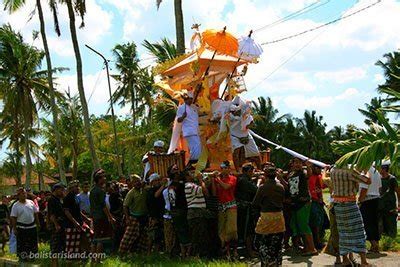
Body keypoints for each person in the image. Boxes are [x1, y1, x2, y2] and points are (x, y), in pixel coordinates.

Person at [330, 167, 370, 266]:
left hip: (338, 205)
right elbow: (367, 181)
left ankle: (345, 259)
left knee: (343, 232)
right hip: (350, 204)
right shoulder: (350, 171)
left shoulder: (333, 170)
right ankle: (363, 261)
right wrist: (366, 171)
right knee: (358, 231)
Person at [252, 165, 285, 267]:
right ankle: (276, 263)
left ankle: (267, 262)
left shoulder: (263, 187)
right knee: (277, 244)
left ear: (265, 175)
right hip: (279, 217)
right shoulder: (280, 187)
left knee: (262, 242)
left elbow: (255, 203)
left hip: (266, 217)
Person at [287, 158, 317, 256]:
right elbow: (289, 186)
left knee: (304, 225)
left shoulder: (303, 173)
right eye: (296, 162)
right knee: (299, 226)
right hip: (295, 203)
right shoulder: (291, 174)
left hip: (303, 202)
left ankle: (312, 248)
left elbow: (309, 174)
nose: (298, 164)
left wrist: (308, 166)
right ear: (292, 164)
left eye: (300, 163)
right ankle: (306, 247)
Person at [211, 160, 238, 259]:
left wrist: (217, 178)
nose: (224, 170)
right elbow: (214, 193)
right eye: (222, 168)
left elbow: (226, 187)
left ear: (229, 169)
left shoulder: (233, 178)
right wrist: (213, 181)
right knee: (221, 230)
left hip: (231, 205)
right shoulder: (218, 179)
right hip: (221, 206)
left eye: (226, 168)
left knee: (232, 229)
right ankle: (226, 252)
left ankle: (234, 251)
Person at [119, 175, 149, 254]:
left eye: (138, 181)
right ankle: (122, 252)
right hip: (134, 217)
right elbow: (125, 206)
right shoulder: (131, 193)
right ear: (132, 184)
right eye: (135, 182)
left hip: (144, 217)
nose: (137, 183)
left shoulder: (144, 189)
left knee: (143, 236)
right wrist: (127, 218)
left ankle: (141, 252)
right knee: (128, 237)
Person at [226, 104, 260, 171]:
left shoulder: (247, 116)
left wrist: (248, 125)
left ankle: (260, 169)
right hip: (235, 137)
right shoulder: (230, 116)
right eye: (234, 111)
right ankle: (238, 170)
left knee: (256, 154)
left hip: (246, 136)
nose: (235, 112)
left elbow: (253, 124)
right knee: (236, 152)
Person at [167, 164, 191, 257]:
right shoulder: (173, 186)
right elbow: (173, 201)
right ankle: (185, 253)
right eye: (175, 170)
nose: (177, 171)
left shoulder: (181, 183)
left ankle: (185, 253)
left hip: (181, 210)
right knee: (182, 231)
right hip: (178, 211)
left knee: (183, 231)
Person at [90, 169, 115, 259]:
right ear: (99, 179)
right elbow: (103, 206)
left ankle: (93, 259)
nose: (105, 179)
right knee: (100, 239)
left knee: (95, 238)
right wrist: (110, 217)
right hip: (101, 217)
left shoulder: (92, 190)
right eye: (103, 177)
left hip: (95, 217)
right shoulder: (100, 191)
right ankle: (97, 259)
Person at [10, 187, 39, 262]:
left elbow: (35, 214)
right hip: (21, 227)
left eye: (25, 193)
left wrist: (38, 224)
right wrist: (14, 229)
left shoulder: (31, 202)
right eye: (22, 193)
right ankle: (23, 258)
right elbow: (13, 218)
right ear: (18, 195)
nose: (24, 194)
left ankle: (32, 257)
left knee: (32, 243)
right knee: (22, 244)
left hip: (32, 226)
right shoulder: (15, 205)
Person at [184, 170, 209, 257]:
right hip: (195, 213)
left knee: (200, 235)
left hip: (198, 213)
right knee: (197, 236)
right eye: (191, 173)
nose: (193, 174)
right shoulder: (189, 185)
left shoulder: (193, 185)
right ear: (187, 176)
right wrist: (201, 180)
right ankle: (194, 255)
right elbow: (204, 191)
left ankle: (198, 255)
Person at [63, 180, 92, 256]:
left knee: (88, 236)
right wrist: (75, 222)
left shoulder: (76, 197)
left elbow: (78, 211)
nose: (78, 188)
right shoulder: (67, 198)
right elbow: (67, 212)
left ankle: (86, 255)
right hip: (71, 225)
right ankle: (70, 260)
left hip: (81, 222)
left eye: (78, 186)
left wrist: (86, 218)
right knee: (72, 245)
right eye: (76, 186)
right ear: (71, 188)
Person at [235, 163, 258, 257]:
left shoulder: (244, 179)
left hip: (245, 207)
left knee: (250, 230)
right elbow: (256, 190)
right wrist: (259, 181)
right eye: (250, 171)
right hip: (244, 208)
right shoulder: (243, 180)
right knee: (247, 231)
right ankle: (249, 251)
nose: (252, 173)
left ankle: (251, 249)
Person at [359, 166, 382, 253]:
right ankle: (376, 245)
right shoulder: (376, 171)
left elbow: (364, 188)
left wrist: (360, 200)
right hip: (376, 198)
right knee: (374, 222)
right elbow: (380, 187)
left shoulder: (365, 172)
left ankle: (373, 244)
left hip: (367, 200)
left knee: (366, 223)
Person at [176, 91, 201, 164]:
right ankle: (192, 163)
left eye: (191, 99)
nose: (190, 100)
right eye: (189, 99)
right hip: (189, 131)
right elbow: (178, 120)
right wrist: (183, 116)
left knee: (196, 148)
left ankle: (193, 163)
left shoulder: (193, 107)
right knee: (196, 148)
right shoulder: (181, 107)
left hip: (195, 131)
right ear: (185, 99)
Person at [307, 164, 327, 250]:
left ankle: (319, 239)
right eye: (318, 168)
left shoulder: (319, 177)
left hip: (319, 202)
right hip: (312, 202)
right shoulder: (309, 177)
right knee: (315, 223)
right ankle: (316, 242)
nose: (319, 170)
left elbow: (323, 186)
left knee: (321, 222)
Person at [47, 183, 66, 267]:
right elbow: (51, 214)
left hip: (60, 225)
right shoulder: (52, 199)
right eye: (61, 190)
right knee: (55, 249)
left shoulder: (58, 199)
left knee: (59, 248)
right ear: (56, 189)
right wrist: (56, 225)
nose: (63, 192)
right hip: (56, 227)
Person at [146, 173, 165, 254]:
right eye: (156, 180)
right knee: (152, 234)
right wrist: (163, 185)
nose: (158, 182)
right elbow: (156, 195)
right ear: (152, 182)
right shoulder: (150, 190)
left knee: (159, 234)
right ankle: (149, 252)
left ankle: (157, 251)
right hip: (153, 216)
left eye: (159, 180)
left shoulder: (160, 188)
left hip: (160, 214)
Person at [378, 163, 398, 238]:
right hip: (381, 205)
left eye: (381, 169)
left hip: (390, 204)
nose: (380, 170)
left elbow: (397, 191)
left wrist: (398, 203)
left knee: (391, 222)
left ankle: (392, 238)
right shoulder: (379, 178)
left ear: (384, 169)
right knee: (381, 223)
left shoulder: (392, 179)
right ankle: (383, 238)